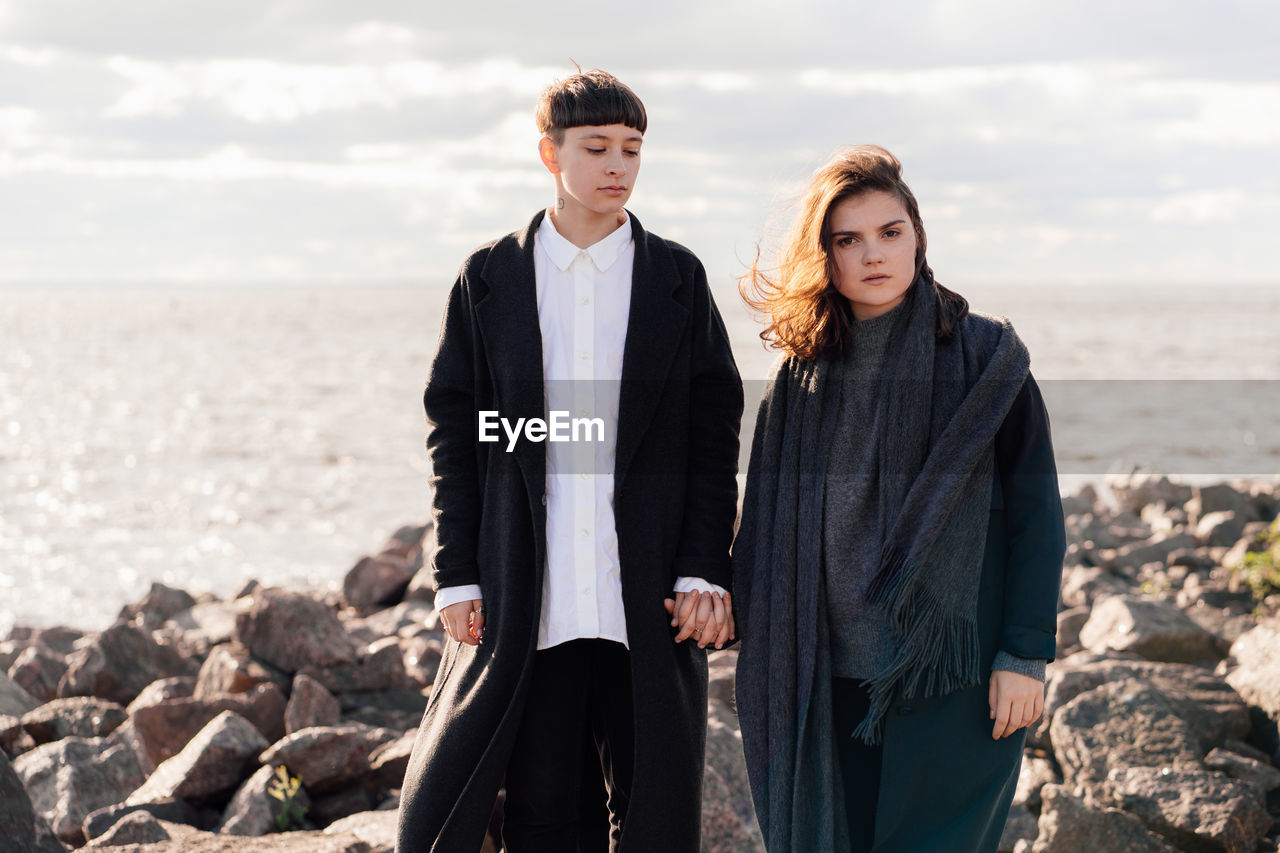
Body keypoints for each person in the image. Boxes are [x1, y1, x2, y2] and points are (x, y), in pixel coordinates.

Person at [395, 68, 744, 853]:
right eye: (597, 147)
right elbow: (458, 427)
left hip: (647, 594)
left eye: (631, 148)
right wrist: (458, 570)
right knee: (546, 815)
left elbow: (712, 430)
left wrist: (701, 566)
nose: (618, 165)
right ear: (550, 154)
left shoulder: (675, 278)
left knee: (657, 816)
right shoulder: (491, 277)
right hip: (533, 590)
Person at [732, 145, 1065, 853]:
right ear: (824, 255)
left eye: (890, 232)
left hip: (956, 676)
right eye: (847, 240)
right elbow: (761, 535)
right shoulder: (798, 379)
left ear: (917, 234)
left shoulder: (988, 361)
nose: (872, 254)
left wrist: (1025, 656)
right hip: (825, 680)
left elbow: (1038, 518)